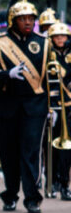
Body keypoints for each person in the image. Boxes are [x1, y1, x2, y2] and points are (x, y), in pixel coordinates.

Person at [0, 0, 48, 213]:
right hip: (8, 104)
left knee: (31, 152)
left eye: (31, 18)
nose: (28, 23)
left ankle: (32, 198)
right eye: (23, 19)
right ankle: (10, 194)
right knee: (9, 152)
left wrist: (54, 107)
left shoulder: (44, 42)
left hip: (35, 106)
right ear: (14, 20)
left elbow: (51, 78)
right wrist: (6, 75)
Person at [46, 22, 71, 200]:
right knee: (52, 147)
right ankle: (52, 180)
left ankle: (64, 184)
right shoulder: (48, 56)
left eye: (63, 36)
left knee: (67, 149)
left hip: (69, 106)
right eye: (57, 36)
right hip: (54, 107)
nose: (61, 39)